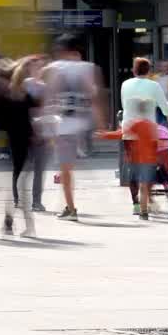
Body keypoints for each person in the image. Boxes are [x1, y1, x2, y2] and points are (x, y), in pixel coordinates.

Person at [44, 34, 104, 222]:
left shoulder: (54, 68)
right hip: (84, 124)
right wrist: (101, 123)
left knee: (66, 170)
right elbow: (96, 97)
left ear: (62, 51)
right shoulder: (89, 68)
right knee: (68, 170)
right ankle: (67, 204)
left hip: (64, 126)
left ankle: (71, 209)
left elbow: (49, 96)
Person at [121, 57, 168, 214]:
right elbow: (165, 108)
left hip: (129, 131)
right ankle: (147, 200)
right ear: (149, 70)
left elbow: (124, 105)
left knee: (133, 167)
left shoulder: (125, 84)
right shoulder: (154, 86)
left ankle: (136, 203)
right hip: (148, 132)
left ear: (134, 70)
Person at [0, 56, 38, 238]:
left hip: (13, 146)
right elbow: (33, 116)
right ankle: (19, 225)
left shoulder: (4, 98)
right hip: (25, 145)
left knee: (15, 187)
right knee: (19, 187)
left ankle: (12, 224)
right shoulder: (25, 95)